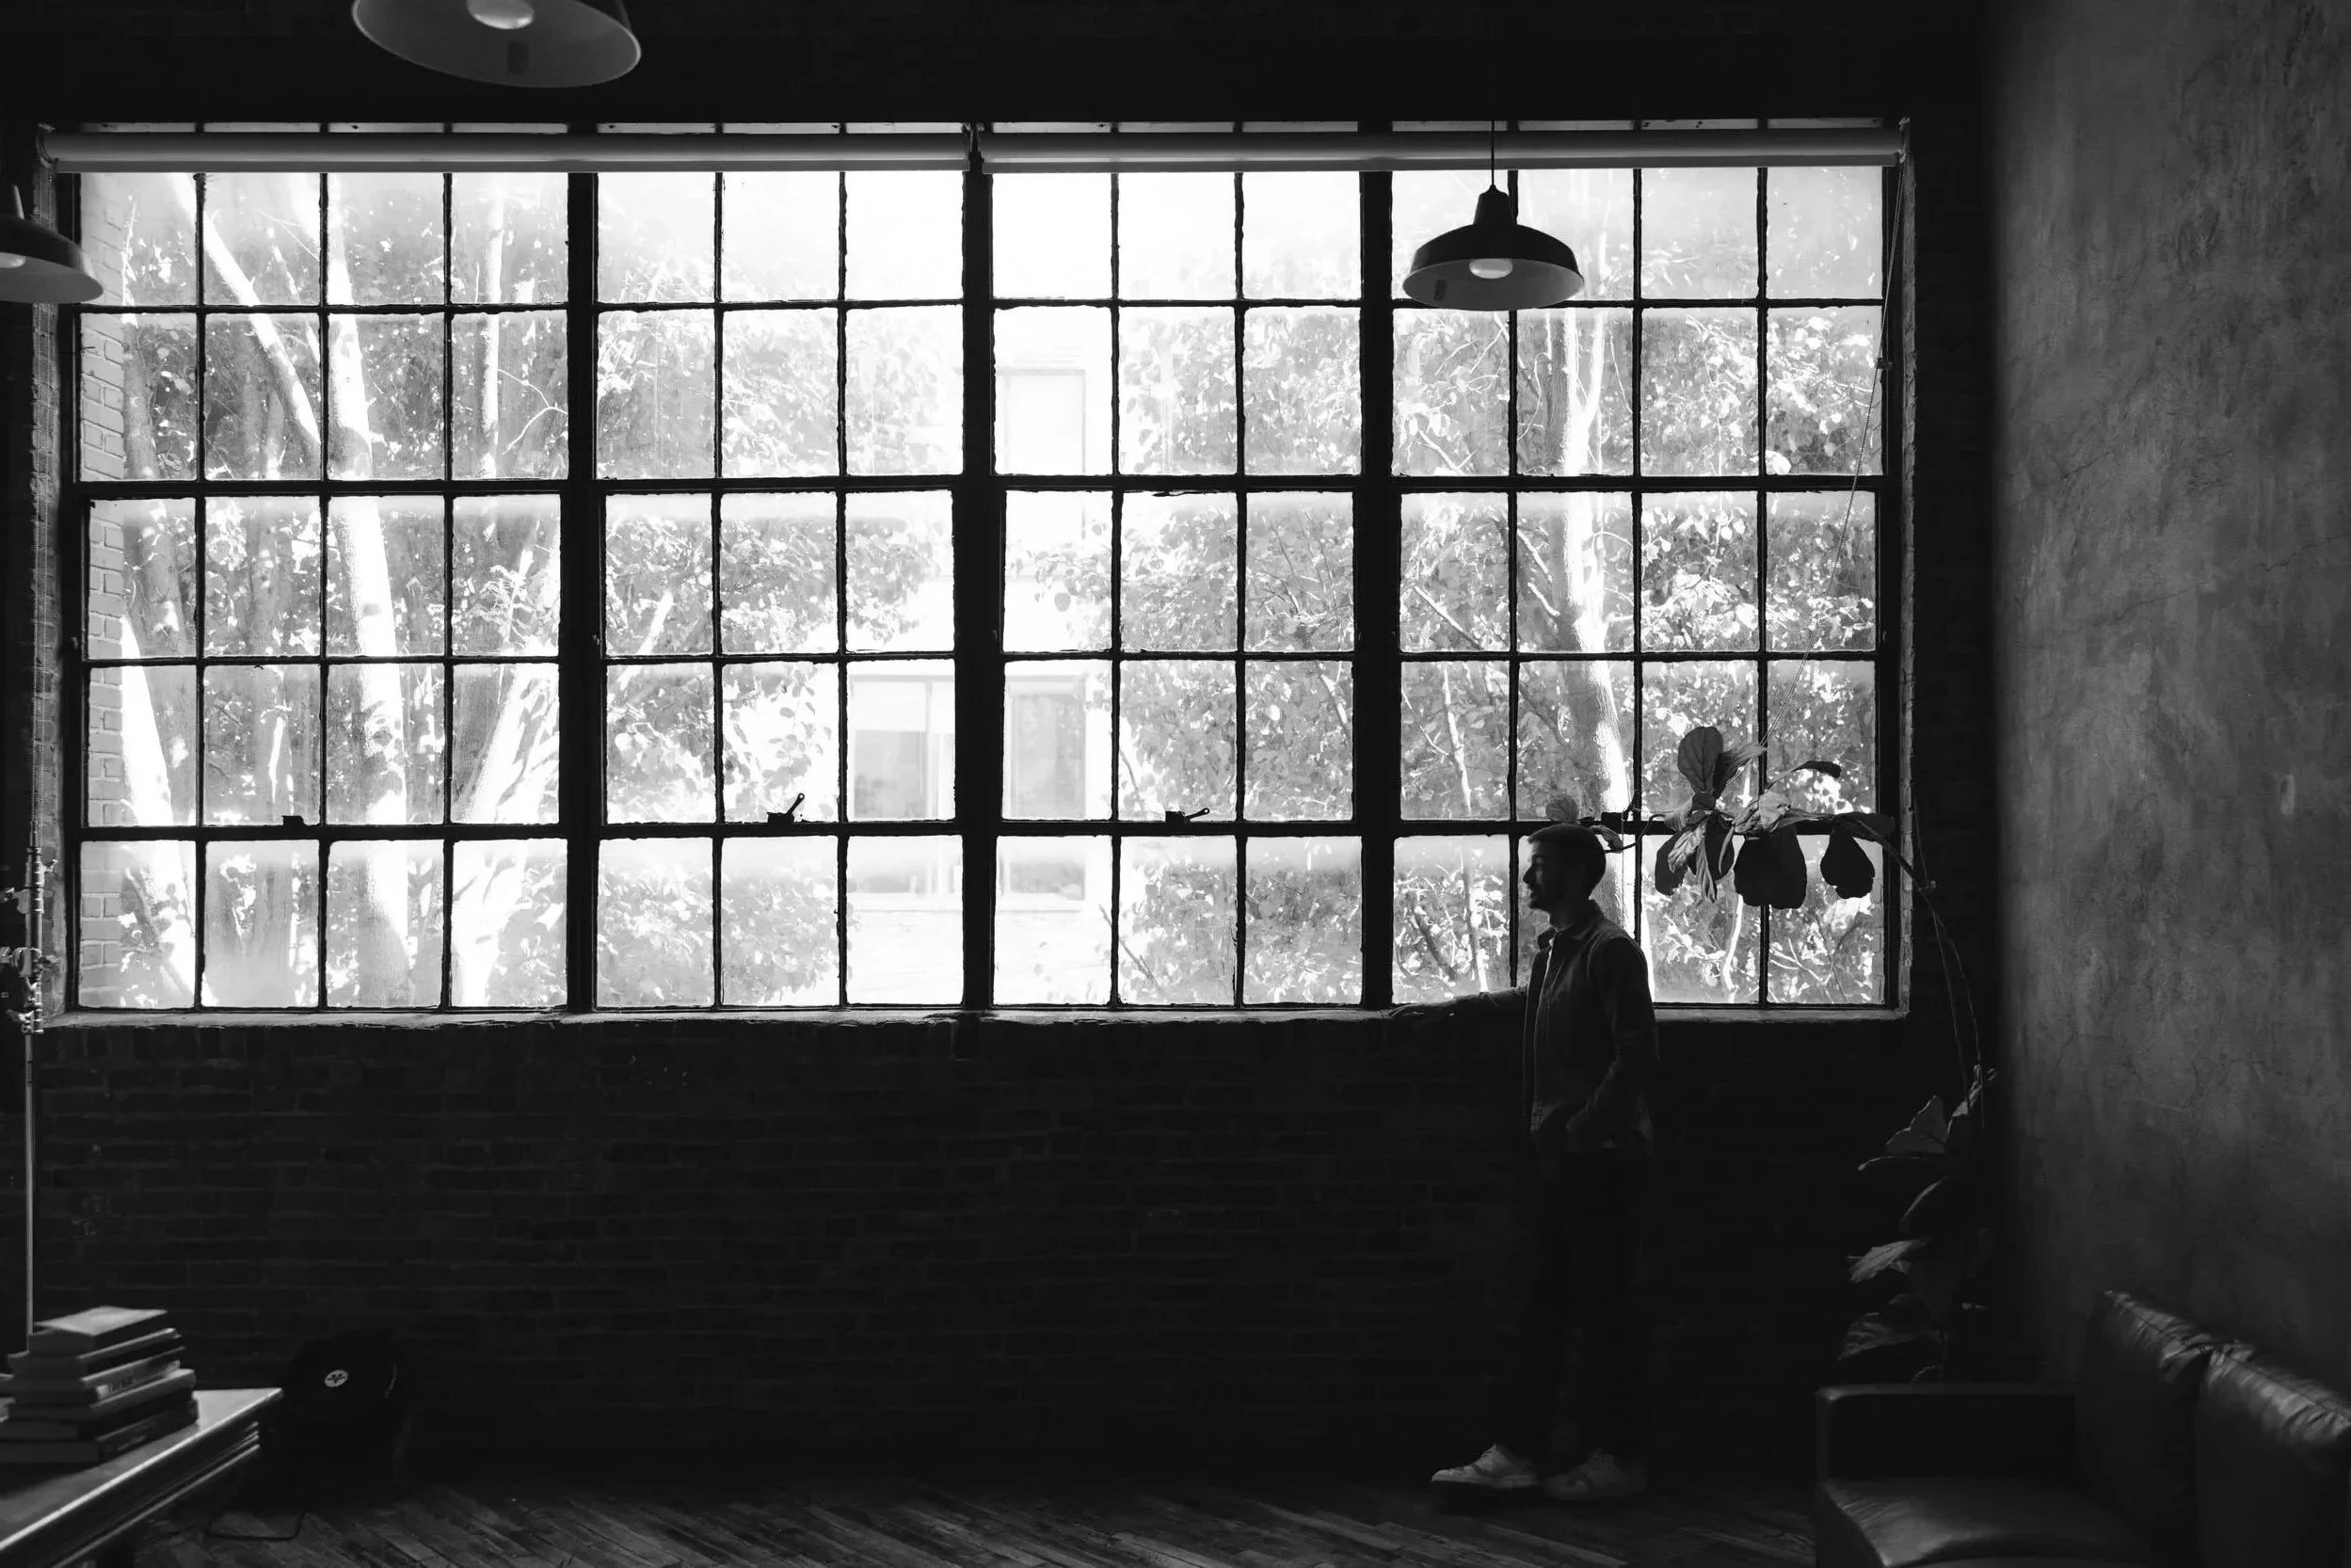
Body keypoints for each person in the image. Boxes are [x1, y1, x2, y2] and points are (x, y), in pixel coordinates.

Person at [1402, 821, 1658, 1506]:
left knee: (1603, 1313)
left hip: (1597, 1161)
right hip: (1567, 1157)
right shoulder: (1558, 950)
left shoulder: (1611, 953)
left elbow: (1637, 1055)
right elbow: (1534, 1004)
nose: (1527, 879)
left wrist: (1581, 1130)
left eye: (1539, 866)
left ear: (1576, 874)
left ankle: (1619, 1458)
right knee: (1551, 1305)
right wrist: (1464, 1009)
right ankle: (1525, 1450)